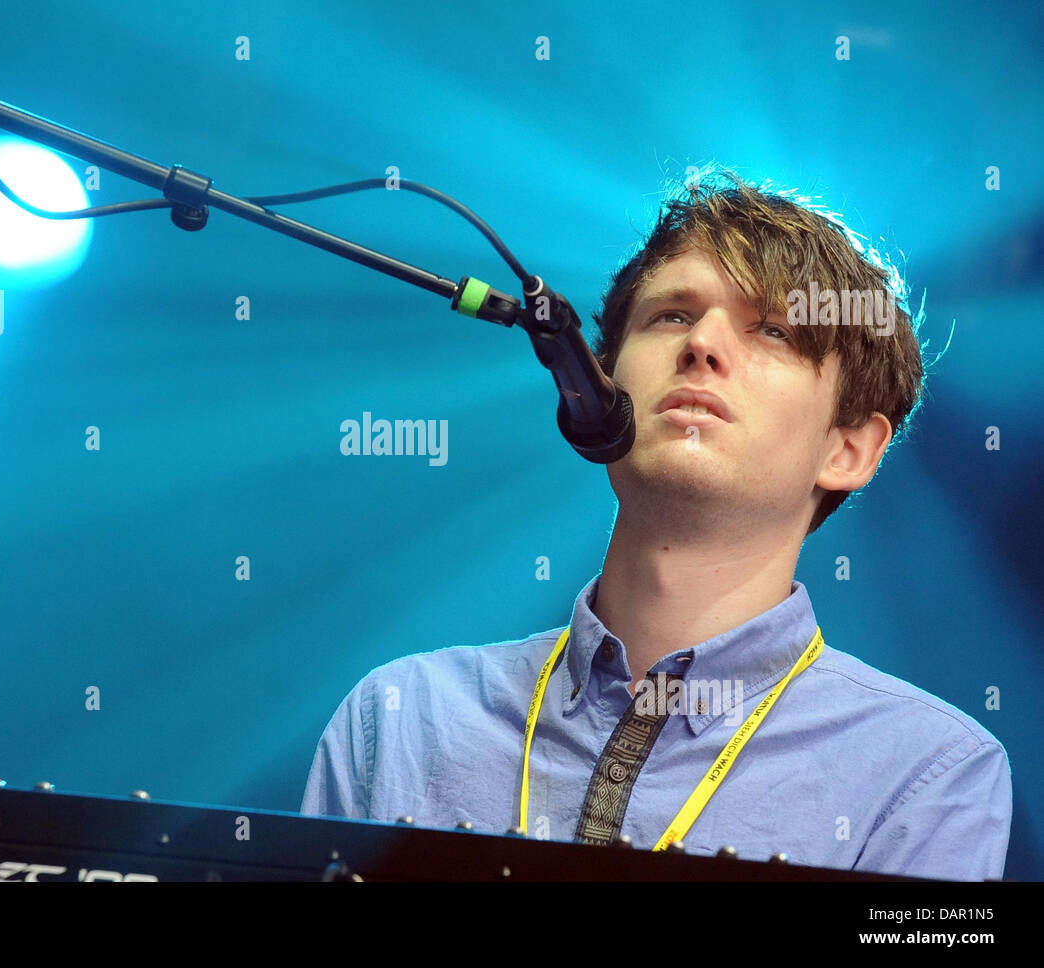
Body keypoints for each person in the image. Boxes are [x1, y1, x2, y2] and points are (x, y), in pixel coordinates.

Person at [299, 169, 1011, 881]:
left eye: (772, 329)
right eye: (672, 315)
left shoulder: (928, 774)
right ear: (597, 391)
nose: (702, 344)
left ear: (848, 449)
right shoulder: (396, 721)